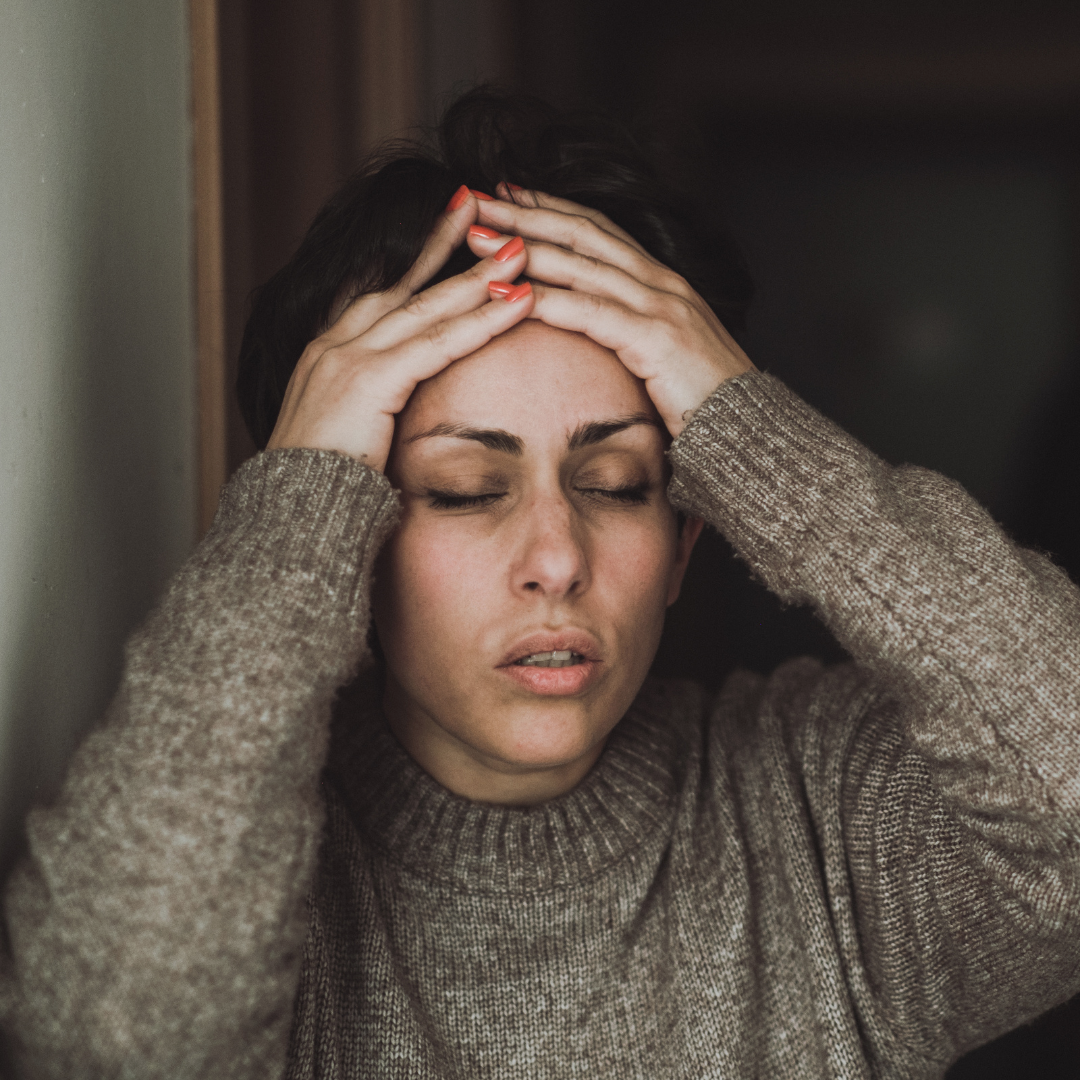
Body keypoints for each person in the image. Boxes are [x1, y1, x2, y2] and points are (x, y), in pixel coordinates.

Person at [2, 87, 1079, 1079]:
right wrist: (296, 500)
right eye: (467, 490)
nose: (558, 560)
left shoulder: (819, 822)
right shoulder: (258, 875)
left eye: (614, 484)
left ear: (688, 542)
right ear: (346, 545)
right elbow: (106, 1035)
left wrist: (750, 428)